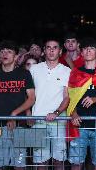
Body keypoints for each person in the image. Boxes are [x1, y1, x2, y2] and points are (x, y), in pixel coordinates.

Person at [67, 37, 96, 170]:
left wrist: (95, 100)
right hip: (79, 125)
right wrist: (73, 113)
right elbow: (71, 97)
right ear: (81, 52)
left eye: (91, 48)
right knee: (76, 164)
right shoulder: (75, 73)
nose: (88, 51)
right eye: (85, 49)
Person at [0, 40, 35, 170]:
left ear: (16, 56)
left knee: (20, 164)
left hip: (20, 126)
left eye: (9, 52)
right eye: (2, 51)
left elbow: (31, 98)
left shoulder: (24, 74)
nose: (5, 54)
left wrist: (14, 114)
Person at [29, 38, 71, 170]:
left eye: (55, 47)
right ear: (44, 51)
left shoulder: (66, 71)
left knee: (59, 160)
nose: (51, 50)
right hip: (38, 121)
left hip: (59, 122)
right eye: (48, 47)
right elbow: (28, 95)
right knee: (41, 161)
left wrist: (56, 113)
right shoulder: (34, 69)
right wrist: (28, 114)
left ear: (60, 51)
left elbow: (67, 97)